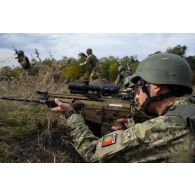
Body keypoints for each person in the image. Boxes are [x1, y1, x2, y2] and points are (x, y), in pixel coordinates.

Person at [52, 53, 195, 162]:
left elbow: (92, 153)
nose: (135, 94)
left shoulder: (168, 126)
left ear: (156, 87)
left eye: (139, 85)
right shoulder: (189, 109)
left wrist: (72, 115)